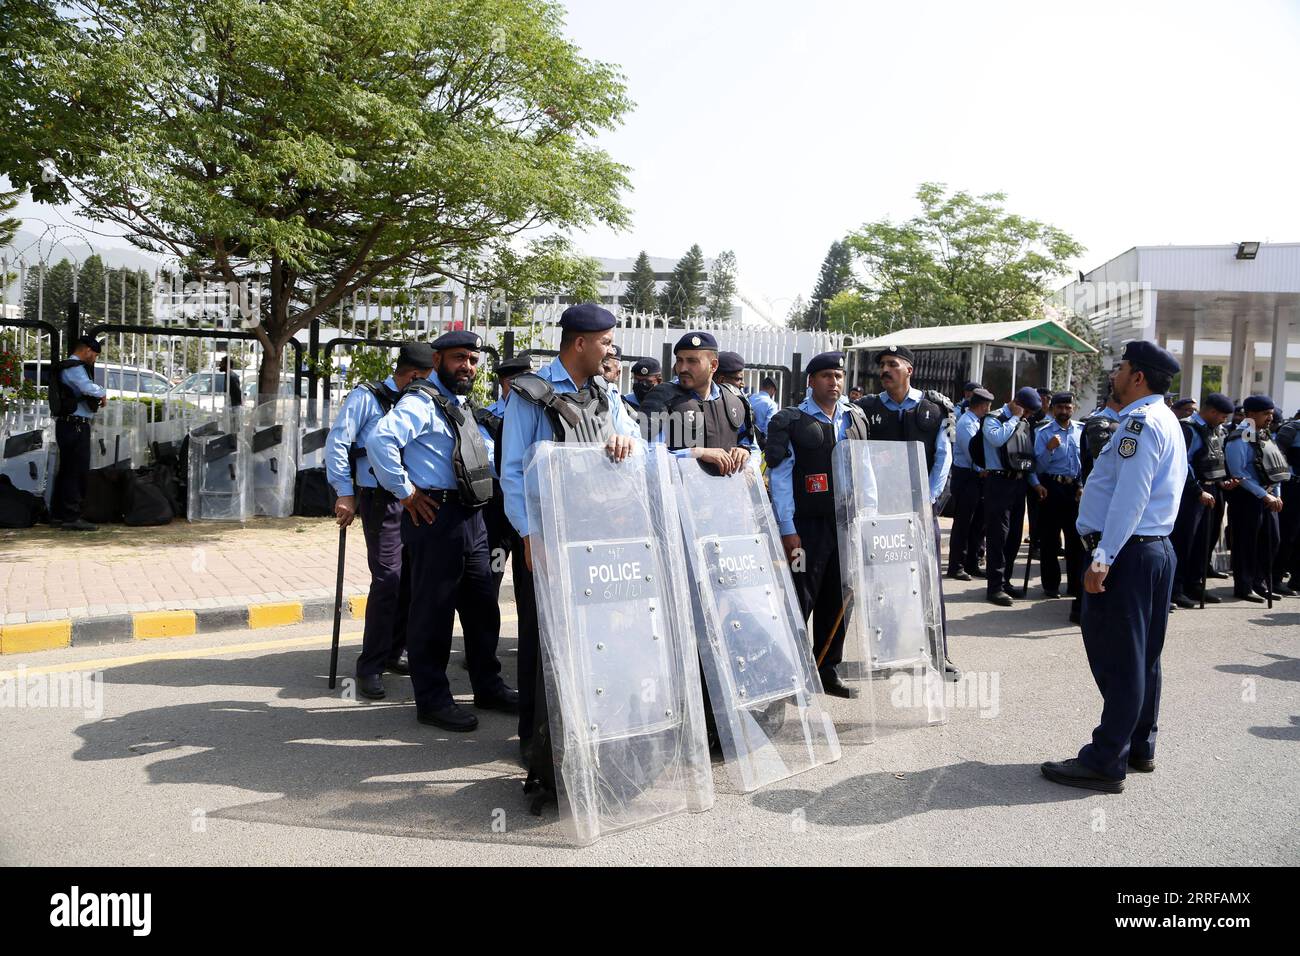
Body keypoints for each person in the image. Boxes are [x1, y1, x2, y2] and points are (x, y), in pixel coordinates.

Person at [499, 303, 642, 765]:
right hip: (547, 534)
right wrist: (529, 534)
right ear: (580, 343)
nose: (610, 350)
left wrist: (627, 442)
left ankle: (583, 725)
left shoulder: (604, 391)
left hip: (596, 533)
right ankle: (535, 739)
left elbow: (635, 438)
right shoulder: (529, 392)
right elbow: (514, 471)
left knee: (591, 632)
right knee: (542, 635)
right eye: (605, 342)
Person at [1041, 341, 1184, 793]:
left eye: (1121, 367)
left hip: (1127, 553)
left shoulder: (1139, 424)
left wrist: (1102, 557)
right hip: (1152, 548)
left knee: (1121, 659)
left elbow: (1130, 497)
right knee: (1144, 657)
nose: (1115, 374)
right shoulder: (1166, 419)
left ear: (1137, 375)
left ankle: (1105, 760)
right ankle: (1138, 745)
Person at [366, 330, 517, 732]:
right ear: (437, 362)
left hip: (472, 518)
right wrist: (405, 492)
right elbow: (380, 439)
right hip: (437, 516)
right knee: (432, 614)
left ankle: (488, 686)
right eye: (458, 358)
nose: (466, 365)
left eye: (471, 358)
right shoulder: (422, 401)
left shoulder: (461, 404)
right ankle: (432, 700)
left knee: (482, 609)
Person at [324, 343, 432, 699]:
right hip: (380, 499)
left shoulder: (419, 402)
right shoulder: (366, 397)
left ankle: (393, 651)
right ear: (413, 374)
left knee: (412, 579)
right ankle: (369, 666)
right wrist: (344, 491)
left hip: (416, 498)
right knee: (388, 579)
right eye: (424, 379)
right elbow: (338, 443)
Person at [765, 352, 869, 697]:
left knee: (838, 598)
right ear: (811, 381)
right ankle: (789, 675)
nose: (834, 382)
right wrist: (787, 529)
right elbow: (780, 479)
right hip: (805, 531)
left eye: (838, 376)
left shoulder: (855, 419)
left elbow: (864, 472)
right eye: (826, 375)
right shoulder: (790, 421)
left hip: (844, 527)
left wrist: (868, 519)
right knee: (798, 596)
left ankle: (827, 668)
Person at [855, 344, 960, 679]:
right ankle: (887, 652)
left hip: (920, 511)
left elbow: (943, 459)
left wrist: (927, 503)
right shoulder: (866, 410)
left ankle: (937, 653)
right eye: (882, 365)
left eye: (892, 364)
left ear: (909, 370)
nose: (885, 370)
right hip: (883, 511)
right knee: (884, 583)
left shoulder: (934, 409)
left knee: (929, 583)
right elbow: (862, 458)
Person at [639, 331, 754, 474]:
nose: (682, 368)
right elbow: (646, 455)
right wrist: (695, 453)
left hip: (727, 494)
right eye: (680, 360)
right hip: (678, 494)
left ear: (713, 365)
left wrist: (745, 454)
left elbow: (751, 447)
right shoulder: (661, 398)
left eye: (692, 361)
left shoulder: (734, 401)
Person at [472, 352, 533, 598]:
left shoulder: (538, 412)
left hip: (528, 506)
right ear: (503, 384)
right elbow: (492, 460)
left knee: (528, 580)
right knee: (491, 574)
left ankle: (528, 637)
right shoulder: (486, 418)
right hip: (497, 508)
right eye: (514, 382)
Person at [1168, 392, 1235, 608]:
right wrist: (1197, 491)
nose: (1224, 420)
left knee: (1204, 541)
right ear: (1211, 411)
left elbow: (1214, 459)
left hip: (1213, 490)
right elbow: (1182, 464)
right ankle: (1175, 589)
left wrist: (1222, 481)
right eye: (1222, 416)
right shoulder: (1188, 428)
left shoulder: (1215, 430)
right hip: (1192, 495)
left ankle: (1194, 584)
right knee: (1184, 542)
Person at [978, 386, 1041, 606]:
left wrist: (1035, 483)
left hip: (1019, 482)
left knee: (1013, 536)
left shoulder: (1024, 421)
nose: (1029, 416)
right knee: (998, 536)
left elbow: (1026, 455)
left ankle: (1005, 582)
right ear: (1016, 403)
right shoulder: (993, 418)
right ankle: (994, 587)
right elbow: (997, 440)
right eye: (1027, 411)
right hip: (998, 482)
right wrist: (1014, 418)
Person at [1224, 395, 1289, 603]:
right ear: (1251, 414)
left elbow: (1274, 466)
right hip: (1248, 497)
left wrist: (1275, 493)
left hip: (1268, 497)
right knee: (1247, 543)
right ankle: (1244, 586)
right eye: (1265, 414)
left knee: (1271, 541)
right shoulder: (1239, 437)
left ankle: (1260, 583)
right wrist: (1265, 495)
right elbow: (1238, 472)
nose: (1270, 417)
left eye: (1271, 413)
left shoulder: (1263, 434)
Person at [1028, 393, 1085, 617]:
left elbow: (1086, 461)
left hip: (1075, 490)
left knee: (1075, 540)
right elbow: (1037, 466)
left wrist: (1082, 484)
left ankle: (1074, 584)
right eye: (1060, 407)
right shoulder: (1043, 433)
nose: (1064, 411)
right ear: (1053, 409)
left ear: (1073, 408)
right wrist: (1050, 449)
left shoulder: (1081, 431)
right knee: (1050, 540)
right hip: (1051, 487)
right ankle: (1050, 585)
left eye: (1067, 407)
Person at [49, 335, 108, 531]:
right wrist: (102, 392)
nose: (94, 359)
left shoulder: (66, 367)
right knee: (76, 471)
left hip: (68, 424)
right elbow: (86, 388)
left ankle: (59, 514)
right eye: (95, 355)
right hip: (75, 425)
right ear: (87, 350)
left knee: (67, 470)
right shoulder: (74, 367)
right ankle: (72, 517)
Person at [947, 387, 994, 581]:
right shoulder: (967, 423)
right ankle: (956, 566)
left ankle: (972, 563)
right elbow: (972, 455)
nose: (988, 409)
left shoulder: (977, 421)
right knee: (963, 524)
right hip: (967, 477)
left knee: (977, 525)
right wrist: (984, 469)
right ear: (982, 405)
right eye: (987, 406)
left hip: (977, 478)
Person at [749, 376, 781, 445]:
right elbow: (769, 427)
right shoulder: (771, 404)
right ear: (772, 389)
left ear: (762, 387)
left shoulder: (750, 398)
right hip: (759, 442)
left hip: (745, 438)